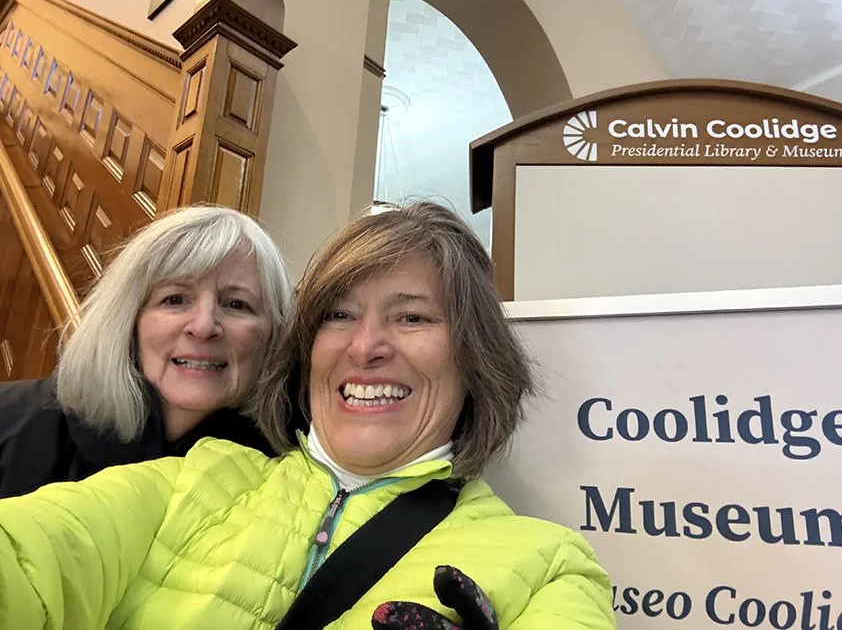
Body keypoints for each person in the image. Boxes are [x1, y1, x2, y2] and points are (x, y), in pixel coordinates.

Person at [0, 201, 615, 629]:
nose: (364, 346)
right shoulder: (189, 479)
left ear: (476, 356)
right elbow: (28, 557)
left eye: (412, 316)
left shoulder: (550, 566)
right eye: (338, 315)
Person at [0, 204, 293, 498]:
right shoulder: (9, 421)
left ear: (274, 336)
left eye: (237, 304)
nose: (203, 326)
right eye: (175, 299)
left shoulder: (286, 480)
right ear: (129, 320)